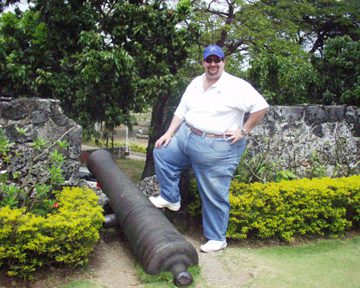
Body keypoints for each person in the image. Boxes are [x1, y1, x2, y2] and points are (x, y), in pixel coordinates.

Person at [149, 44, 269, 253]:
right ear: (203, 62)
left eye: (217, 60)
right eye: (209, 60)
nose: (213, 64)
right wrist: (169, 133)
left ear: (224, 62)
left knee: (214, 193)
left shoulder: (236, 86)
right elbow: (182, 110)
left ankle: (217, 238)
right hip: (187, 135)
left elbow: (261, 107)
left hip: (218, 146)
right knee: (162, 152)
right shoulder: (196, 82)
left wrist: (244, 130)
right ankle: (170, 197)